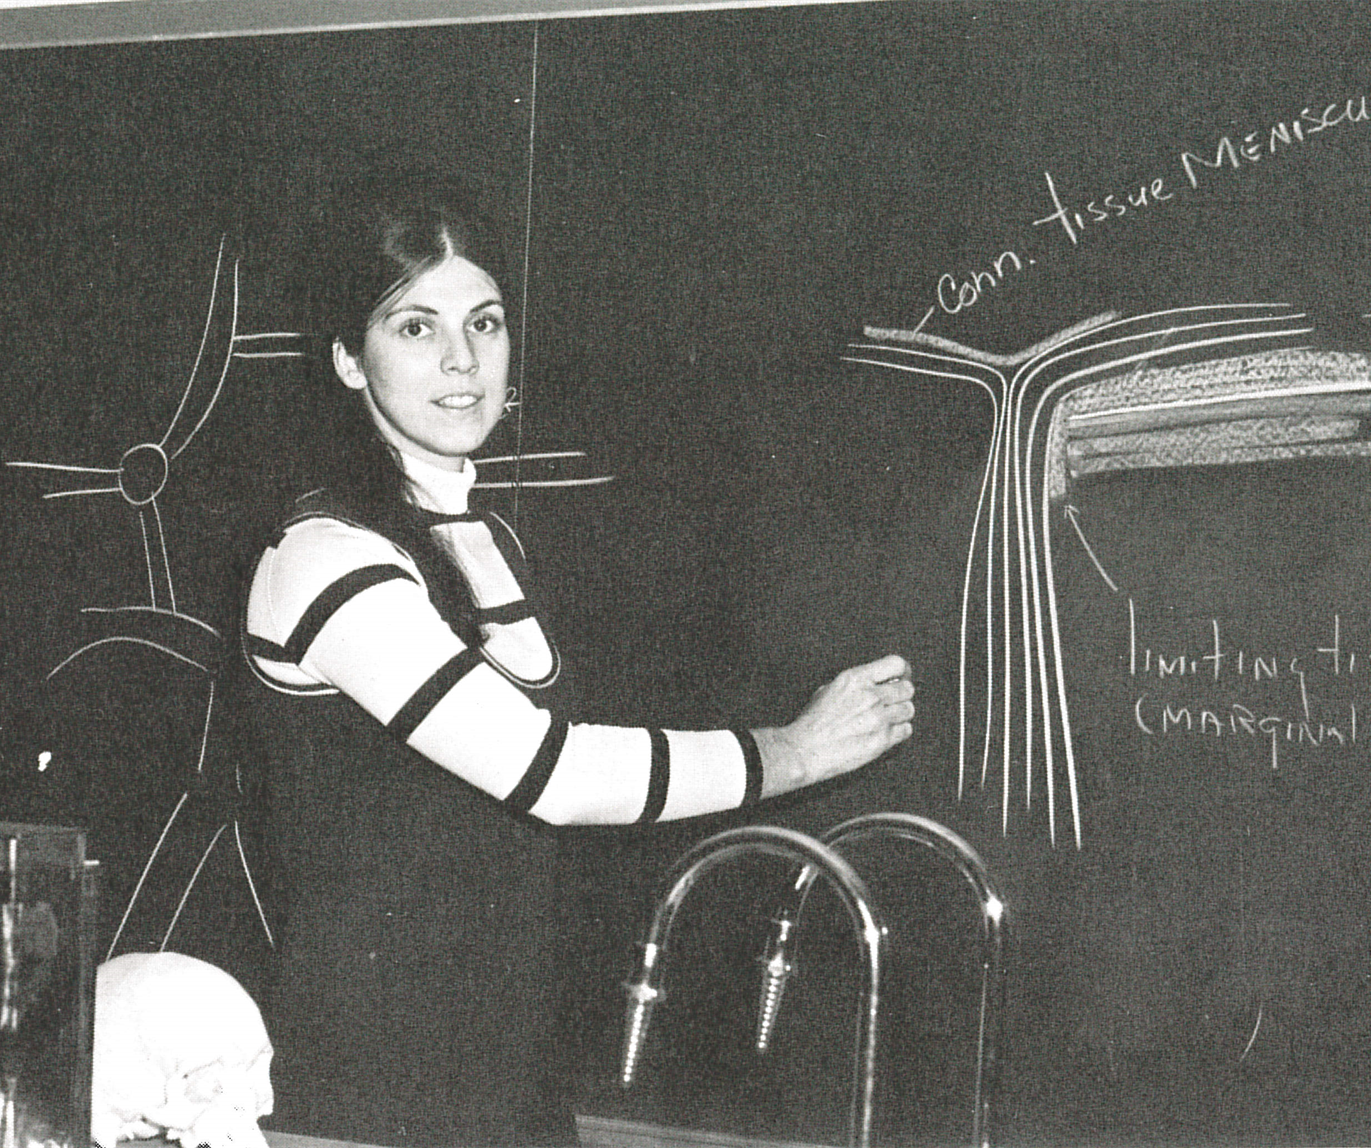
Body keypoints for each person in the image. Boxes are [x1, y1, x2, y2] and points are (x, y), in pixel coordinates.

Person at [238, 173, 915, 1148]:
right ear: (349, 358)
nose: (464, 360)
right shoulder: (321, 558)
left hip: (506, 1079)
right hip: (366, 1090)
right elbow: (549, 771)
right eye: (415, 327)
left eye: (486, 321)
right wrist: (793, 751)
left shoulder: (489, 541)